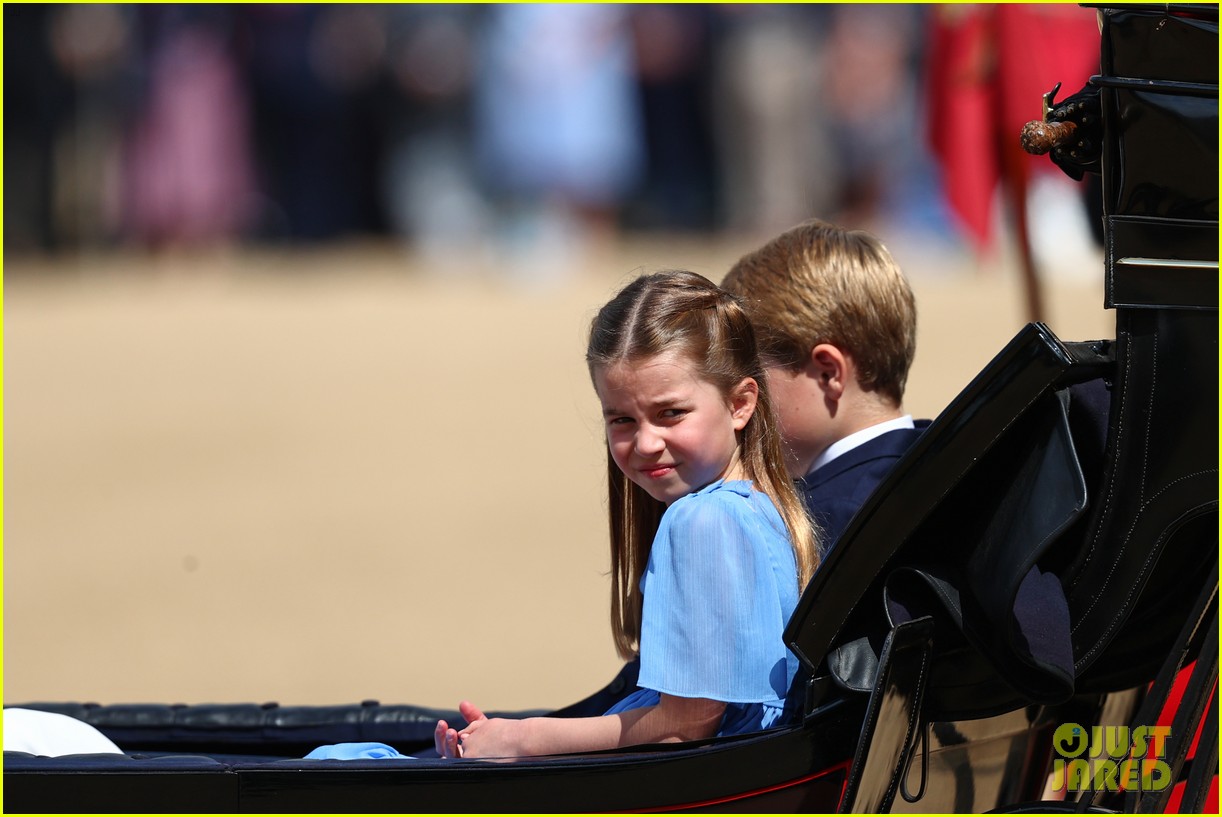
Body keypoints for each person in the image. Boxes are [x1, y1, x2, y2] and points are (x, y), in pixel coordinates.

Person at [432, 270, 820, 759]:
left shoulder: (702, 521)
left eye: (671, 413)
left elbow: (685, 725)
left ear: (740, 404)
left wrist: (522, 739)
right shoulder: (761, 506)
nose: (646, 442)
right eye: (621, 419)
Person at [720, 218, 927, 548]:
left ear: (828, 373)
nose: (737, 406)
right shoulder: (953, 464)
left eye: (751, 381)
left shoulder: (831, 523)